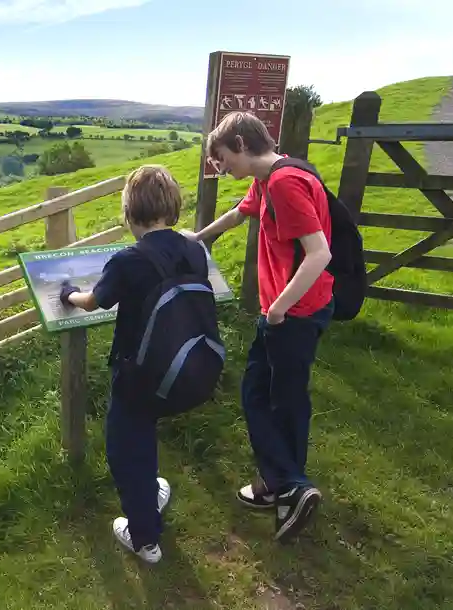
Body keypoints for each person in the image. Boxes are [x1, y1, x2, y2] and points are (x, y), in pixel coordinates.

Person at [185, 111, 334, 542]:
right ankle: (279, 482)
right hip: (297, 309)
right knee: (279, 396)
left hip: (294, 313)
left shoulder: (285, 184)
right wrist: (199, 238)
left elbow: (318, 252)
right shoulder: (271, 175)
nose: (221, 166)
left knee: (262, 397)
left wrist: (279, 308)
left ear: (242, 145)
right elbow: (239, 213)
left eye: (222, 158)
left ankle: (292, 486)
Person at [59, 164, 211, 563]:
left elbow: (94, 301)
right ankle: (151, 493)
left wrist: (68, 293)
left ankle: (144, 538)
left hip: (138, 375)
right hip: (187, 367)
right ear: (173, 207)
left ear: (130, 212)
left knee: (125, 447)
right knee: (145, 433)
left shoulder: (129, 260)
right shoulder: (194, 248)